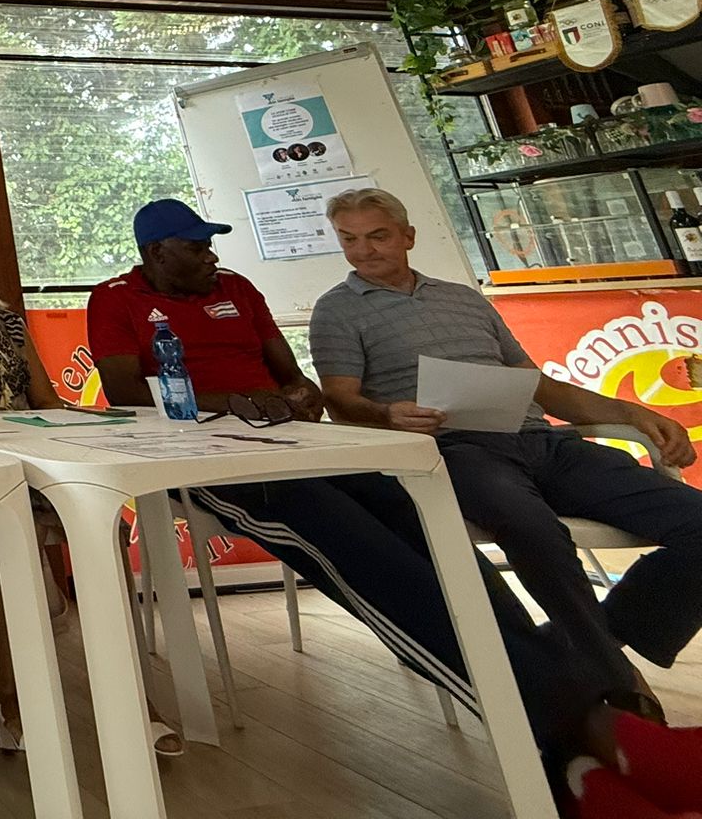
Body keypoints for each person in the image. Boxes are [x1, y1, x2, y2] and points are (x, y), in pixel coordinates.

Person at [87, 199, 611, 777]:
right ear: (157, 253)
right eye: (196, 247)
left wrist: (299, 396)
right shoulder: (115, 297)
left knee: (423, 524)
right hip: (210, 459)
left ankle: (565, 680)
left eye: (210, 244)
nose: (211, 256)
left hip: (298, 440)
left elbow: (291, 376)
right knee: (362, 551)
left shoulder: (236, 287)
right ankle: (550, 713)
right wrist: (235, 406)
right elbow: (126, 393)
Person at [313, 185, 702, 720]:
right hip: (454, 448)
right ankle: (615, 682)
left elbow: (537, 385)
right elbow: (339, 400)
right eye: (349, 239)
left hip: (542, 440)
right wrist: (387, 414)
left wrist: (632, 413)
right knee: (534, 531)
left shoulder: (463, 297)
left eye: (377, 236)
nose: (363, 250)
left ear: (408, 236)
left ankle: (580, 647)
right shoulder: (336, 310)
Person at [0, 230, 180, 757]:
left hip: (33, 454)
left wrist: (85, 425)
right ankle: (10, 693)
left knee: (100, 519)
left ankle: (131, 695)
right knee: (17, 534)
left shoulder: (11, 323)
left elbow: (45, 399)